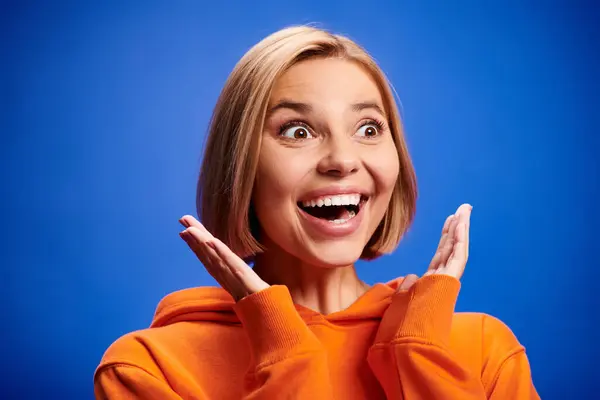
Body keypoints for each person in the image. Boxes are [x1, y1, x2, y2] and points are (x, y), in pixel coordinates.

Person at [94, 26, 539, 399]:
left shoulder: (482, 351)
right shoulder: (152, 367)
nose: (342, 160)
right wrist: (282, 347)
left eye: (368, 128)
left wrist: (419, 354)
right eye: (298, 130)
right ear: (239, 162)